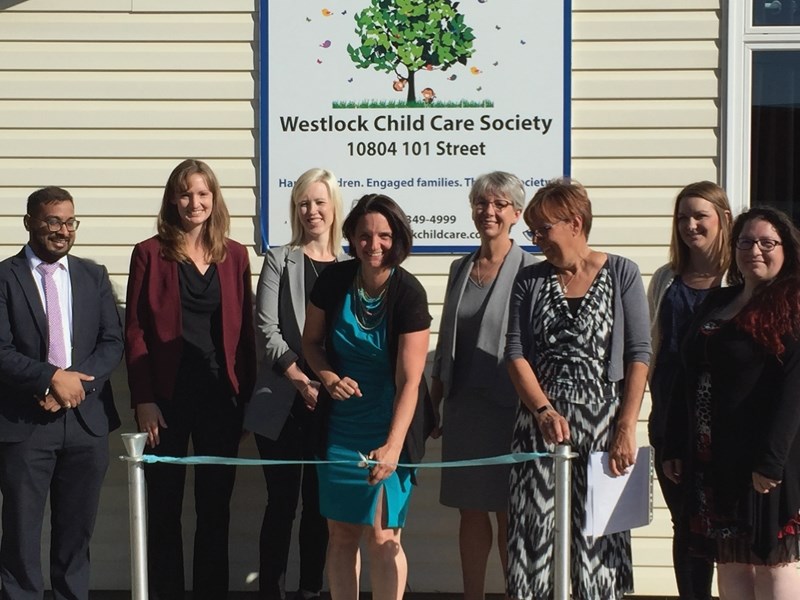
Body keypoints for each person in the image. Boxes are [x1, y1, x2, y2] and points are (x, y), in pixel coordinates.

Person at [504, 178, 651, 600]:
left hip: (604, 428)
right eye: (532, 231)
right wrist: (543, 411)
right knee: (534, 540)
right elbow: (515, 353)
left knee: (599, 546)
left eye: (543, 229)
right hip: (540, 428)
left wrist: (626, 427)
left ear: (575, 222)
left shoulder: (622, 273)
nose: (536, 240)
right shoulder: (529, 281)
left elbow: (639, 354)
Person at [125, 159, 256, 600]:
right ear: (172, 200)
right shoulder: (149, 252)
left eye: (202, 194)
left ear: (214, 199)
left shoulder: (235, 255)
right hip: (166, 400)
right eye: (185, 194)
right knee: (163, 510)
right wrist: (143, 399)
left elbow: (246, 337)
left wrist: (248, 403)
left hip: (222, 399)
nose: (194, 202)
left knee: (214, 510)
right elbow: (136, 330)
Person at [663, 207, 800, 600]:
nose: (754, 250)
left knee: (773, 560)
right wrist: (674, 443)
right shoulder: (718, 301)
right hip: (713, 459)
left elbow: (794, 391)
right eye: (745, 242)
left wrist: (770, 461)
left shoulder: (791, 305)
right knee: (731, 560)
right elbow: (685, 373)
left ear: (785, 249)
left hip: (763, 461)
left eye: (766, 243)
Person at [302, 193, 432, 600]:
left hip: (390, 426)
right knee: (340, 533)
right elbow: (311, 343)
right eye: (364, 235)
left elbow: (411, 381)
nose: (373, 245)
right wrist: (327, 377)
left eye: (384, 236)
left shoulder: (409, 293)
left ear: (398, 239)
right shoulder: (333, 281)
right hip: (339, 427)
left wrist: (393, 448)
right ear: (352, 237)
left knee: (382, 535)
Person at [0, 186, 123, 599]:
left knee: (76, 539)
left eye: (70, 222)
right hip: (24, 424)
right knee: (21, 538)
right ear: (30, 223)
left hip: (85, 423)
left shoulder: (93, 275)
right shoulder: (4, 277)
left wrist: (71, 383)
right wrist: (50, 378)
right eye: (53, 221)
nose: (62, 231)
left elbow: (112, 343)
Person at [430, 171, 535, 600]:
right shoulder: (460, 267)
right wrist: (431, 404)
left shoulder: (532, 269)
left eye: (498, 204)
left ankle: (516, 593)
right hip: (464, 411)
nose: (488, 211)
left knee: (510, 514)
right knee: (470, 513)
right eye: (481, 203)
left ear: (516, 213)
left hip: (511, 410)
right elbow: (444, 347)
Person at [244, 168, 346, 600]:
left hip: (333, 404)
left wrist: (327, 383)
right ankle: (272, 590)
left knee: (319, 508)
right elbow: (266, 328)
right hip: (283, 400)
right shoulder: (279, 259)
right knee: (281, 504)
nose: (312, 210)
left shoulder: (350, 266)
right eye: (304, 202)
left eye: (319, 202)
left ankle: (309, 589)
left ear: (333, 206)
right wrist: (300, 377)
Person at [647, 181, 731, 600]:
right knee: (687, 525)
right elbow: (650, 349)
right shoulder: (666, 279)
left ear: (722, 219)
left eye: (700, 216)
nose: (691, 225)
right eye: (683, 217)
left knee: (730, 526)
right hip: (670, 423)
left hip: (725, 425)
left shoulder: (740, 276)